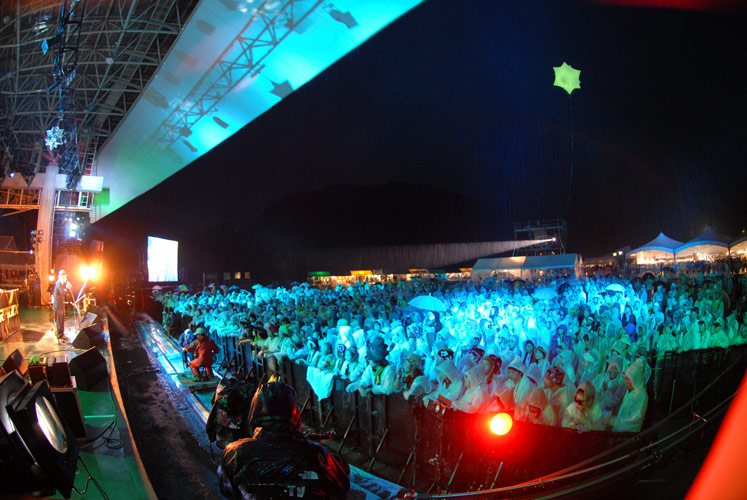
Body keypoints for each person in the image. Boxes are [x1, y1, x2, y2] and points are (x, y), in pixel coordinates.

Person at [218, 382, 350, 499]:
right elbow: (341, 486)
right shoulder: (317, 455)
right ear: (295, 415)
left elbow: (227, 491)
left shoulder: (234, 453)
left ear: (254, 413)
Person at [612, 358, 648, 433]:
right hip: (619, 432)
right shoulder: (630, 391)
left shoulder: (641, 395)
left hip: (629, 435)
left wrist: (614, 422)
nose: (627, 382)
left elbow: (634, 419)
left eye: (629, 379)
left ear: (635, 379)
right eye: (626, 379)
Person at [52, 269, 73, 343]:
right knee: (59, 320)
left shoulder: (61, 284)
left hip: (60, 305)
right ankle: (59, 335)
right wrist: (66, 288)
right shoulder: (58, 284)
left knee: (61, 319)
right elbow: (62, 293)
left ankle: (62, 334)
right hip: (58, 305)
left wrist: (67, 288)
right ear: (61, 277)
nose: (65, 279)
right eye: (65, 277)